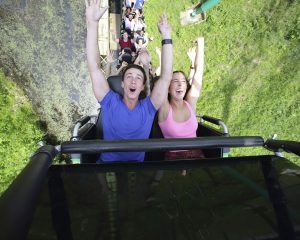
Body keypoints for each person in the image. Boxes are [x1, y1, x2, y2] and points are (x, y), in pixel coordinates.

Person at [85, 0, 173, 162]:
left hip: (135, 172)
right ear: (122, 84)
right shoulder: (110, 101)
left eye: (138, 78)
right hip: (106, 167)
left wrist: (166, 37)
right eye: (129, 77)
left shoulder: (149, 107)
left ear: (142, 87)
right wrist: (92, 23)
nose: (133, 80)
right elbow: (94, 68)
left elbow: (167, 76)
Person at [158, 37, 205, 161]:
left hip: (197, 156)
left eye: (183, 81)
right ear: (168, 88)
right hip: (174, 160)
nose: (180, 84)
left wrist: (201, 43)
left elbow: (198, 73)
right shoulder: (165, 108)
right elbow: (164, 76)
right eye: (175, 81)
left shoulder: (190, 102)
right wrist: (166, 38)